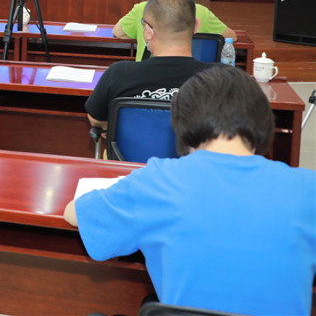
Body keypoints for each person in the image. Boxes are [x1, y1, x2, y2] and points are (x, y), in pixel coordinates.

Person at [65, 66, 316, 315]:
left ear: (181, 122)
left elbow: (75, 214)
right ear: (264, 120)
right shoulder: (307, 189)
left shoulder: (157, 181)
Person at [86, 0, 212, 130]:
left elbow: (96, 120)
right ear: (196, 26)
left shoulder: (119, 74)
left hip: (132, 145)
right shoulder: (221, 78)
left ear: (148, 32)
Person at [115, 0, 237, 61]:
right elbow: (231, 37)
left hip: (147, 78)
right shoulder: (200, 11)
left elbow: (118, 32)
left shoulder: (141, 9)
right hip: (193, 78)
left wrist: (140, 34)